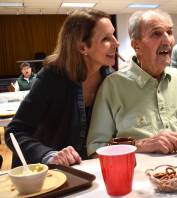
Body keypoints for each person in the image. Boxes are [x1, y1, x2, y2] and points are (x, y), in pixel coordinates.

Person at [87, 10, 177, 157]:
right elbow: (95, 148)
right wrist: (141, 145)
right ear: (136, 46)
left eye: (169, 32)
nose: (167, 40)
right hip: (138, 178)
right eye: (156, 33)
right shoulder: (112, 86)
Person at [5, 9, 119, 167]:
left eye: (113, 35)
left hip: (88, 173)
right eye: (106, 39)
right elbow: (14, 131)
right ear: (82, 47)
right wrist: (48, 155)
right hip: (45, 175)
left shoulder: (111, 79)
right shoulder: (52, 77)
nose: (116, 43)